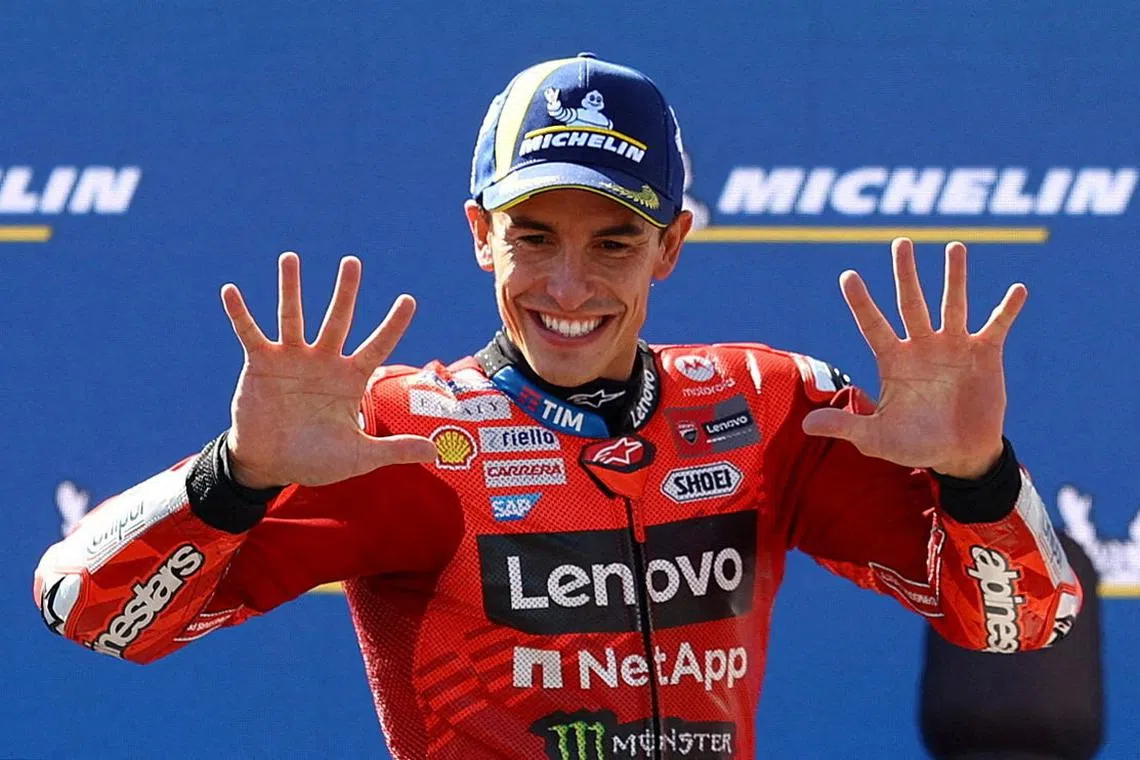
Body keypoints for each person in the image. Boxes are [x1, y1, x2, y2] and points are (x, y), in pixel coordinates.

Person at [34, 53, 1081, 760]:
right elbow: (85, 610)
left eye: (613, 241)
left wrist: (976, 475)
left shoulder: (765, 411)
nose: (569, 286)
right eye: (535, 238)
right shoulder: (397, 438)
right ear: (480, 235)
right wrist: (234, 476)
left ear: (670, 245)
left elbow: (1025, 620)